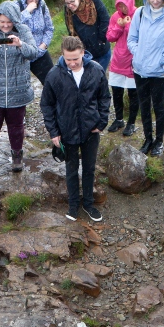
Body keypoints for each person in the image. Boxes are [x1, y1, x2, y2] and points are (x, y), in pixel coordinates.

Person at [41, 36, 111, 223]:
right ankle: (73, 205)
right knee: (71, 169)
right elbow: (46, 104)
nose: (71, 63)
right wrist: (53, 132)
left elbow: (104, 98)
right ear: (62, 55)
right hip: (67, 130)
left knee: (89, 168)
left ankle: (88, 204)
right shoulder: (54, 74)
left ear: (83, 53)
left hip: (91, 130)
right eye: (68, 59)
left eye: (75, 59)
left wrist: (101, 122)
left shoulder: (96, 70)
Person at [0, 1, 43, 176]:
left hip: (18, 90)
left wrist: (20, 44)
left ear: (15, 20)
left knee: (16, 126)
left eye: (9, 22)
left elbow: (34, 53)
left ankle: (17, 157)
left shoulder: (24, 31)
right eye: (2, 22)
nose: (5, 25)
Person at [127, 0, 164, 156]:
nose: (155, 1)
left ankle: (159, 141)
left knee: (158, 107)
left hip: (160, 72)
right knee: (144, 107)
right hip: (140, 69)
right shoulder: (140, 13)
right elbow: (131, 39)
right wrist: (139, 55)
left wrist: (160, 60)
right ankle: (148, 138)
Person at [106, 0, 139, 136]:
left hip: (133, 60)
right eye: (120, 5)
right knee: (117, 92)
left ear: (130, 2)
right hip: (118, 59)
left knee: (133, 94)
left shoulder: (138, 14)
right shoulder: (115, 17)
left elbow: (139, 34)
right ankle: (119, 119)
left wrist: (127, 25)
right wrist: (119, 26)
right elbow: (109, 37)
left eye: (125, 5)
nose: (123, 8)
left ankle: (131, 122)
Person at [63, 0, 112, 70]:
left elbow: (105, 19)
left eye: (72, 1)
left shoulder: (92, 0)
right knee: (88, 80)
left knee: (99, 78)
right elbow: (71, 31)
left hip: (102, 50)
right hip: (85, 54)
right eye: (67, 3)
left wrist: (101, 40)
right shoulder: (67, 10)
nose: (70, 5)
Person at [18, 0, 56, 83]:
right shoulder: (16, 6)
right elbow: (12, 25)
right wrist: (27, 11)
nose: (34, 0)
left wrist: (43, 46)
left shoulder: (42, 6)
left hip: (40, 52)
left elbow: (49, 29)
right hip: (21, 55)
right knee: (20, 88)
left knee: (52, 81)